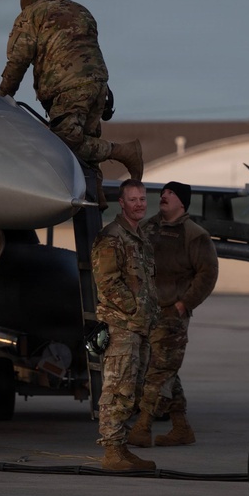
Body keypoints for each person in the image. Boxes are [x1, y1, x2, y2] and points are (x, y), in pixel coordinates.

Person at [0, 0, 143, 202]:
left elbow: (19, 59)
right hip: (98, 86)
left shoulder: (32, 13)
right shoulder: (80, 9)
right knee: (86, 142)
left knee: (63, 142)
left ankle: (123, 151)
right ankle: (97, 198)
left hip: (68, 88)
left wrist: (4, 94)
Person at [128, 181, 218, 447]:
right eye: (163, 192)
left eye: (170, 193)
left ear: (182, 202)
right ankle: (181, 428)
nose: (163, 196)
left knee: (158, 372)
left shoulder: (195, 234)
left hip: (171, 316)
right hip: (145, 313)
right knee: (164, 370)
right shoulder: (147, 228)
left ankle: (142, 426)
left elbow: (208, 273)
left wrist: (184, 304)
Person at [91, 179, 159, 470]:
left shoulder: (138, 236)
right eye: (133, 199)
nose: (139, 204)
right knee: (117, 389)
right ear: (122, 202)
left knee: (131, 389)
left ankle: (121, 447)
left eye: (142, 199)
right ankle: (112, 452)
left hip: (139, 327)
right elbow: (107, 282)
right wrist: (133, 310)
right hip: (122, 326)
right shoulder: (112, 237)